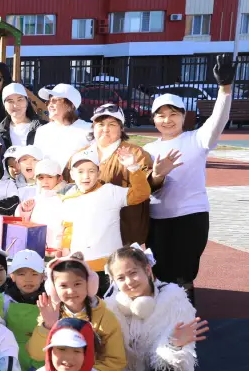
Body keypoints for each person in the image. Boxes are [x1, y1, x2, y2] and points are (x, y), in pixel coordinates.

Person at [144, 55, 234, 303]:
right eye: (161, 115)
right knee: (159, 273)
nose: (167, 120)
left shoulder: (197, 139)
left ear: (184, 116)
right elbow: (145, 187)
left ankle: (186, 318)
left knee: (184, 274)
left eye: (173, 114)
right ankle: (163, 319)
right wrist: (157, 174)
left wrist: (225, 89)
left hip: (191, 216)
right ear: (153, 119)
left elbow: (218, 119)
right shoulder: (148, 149)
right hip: (157, 218)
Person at [104, 245, 206, 371]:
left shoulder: (174, 298)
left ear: (147, 270)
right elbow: (110, 355)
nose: (129, 282)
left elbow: (179, 358)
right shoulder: (110, 307)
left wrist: (174, 344)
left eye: (133, 273)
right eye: (121, 278)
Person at [28, 254, 125, 371]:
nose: (71, 291)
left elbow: (115, 361)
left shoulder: (105, 317)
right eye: (63, 285)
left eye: (77, 284)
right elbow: (36, 354)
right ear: (53, 289)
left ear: (89, 284)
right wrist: (48, 325)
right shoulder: (50, 314)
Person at [69, 103, 154, 246]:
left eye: (112, 124)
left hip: (126, 233)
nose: (105, 129)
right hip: (89, 235)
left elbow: (146, 188)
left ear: (121, 128)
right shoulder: (80, 155)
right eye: (100, 124)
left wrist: (138, 169)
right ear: (93, 127)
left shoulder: (136, 153)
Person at [60, 148, 150, 276]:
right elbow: (69, 226)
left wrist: (133, 167)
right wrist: (65, 249)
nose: (86, 176)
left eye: (91, 171)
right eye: (80, 171)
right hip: (80, 265)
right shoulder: (69, 198)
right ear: (72, 175)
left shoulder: (111, 192)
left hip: (110, 265)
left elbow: (141, 193)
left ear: (99, 173)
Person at [0, 250, 46, 371]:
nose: (28, 279)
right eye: (21, 274)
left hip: (41, 361)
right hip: (12, 361)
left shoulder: (50, 301)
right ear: (12, 276)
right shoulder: (4, 301)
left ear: (43, 276)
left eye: (34, 274)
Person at [35, 84, 91, 170]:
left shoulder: (88, 129)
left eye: (55, 100)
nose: (50, 105)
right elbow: (36, 160)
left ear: (70, 105)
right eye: (49, 101)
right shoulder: (42, 131)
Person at [16, 158, 65, 253]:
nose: (45, 182)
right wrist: (25, 211)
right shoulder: (33, 200)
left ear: (59, 178)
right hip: (35, 250)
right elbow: (23, 228)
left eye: (50, 177)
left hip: (57, 252)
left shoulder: (66, 199)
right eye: (40, 178)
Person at [0, 83, 42, 150]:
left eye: (20, 100)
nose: (15, 105)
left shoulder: (42, 127)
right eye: (10, 101)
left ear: (27, 102)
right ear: (4, 105)